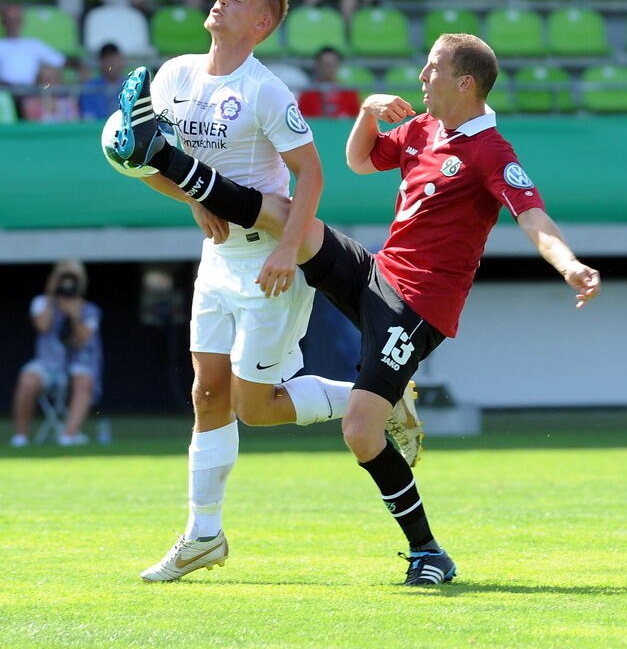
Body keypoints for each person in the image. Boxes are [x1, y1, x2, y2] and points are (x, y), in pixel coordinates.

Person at [115, 31, 601, 586]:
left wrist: (570, 266)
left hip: (417, 308)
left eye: (432, 68)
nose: (422, 77)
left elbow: (533, 218)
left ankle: (428, 553)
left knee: (360, 433)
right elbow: (360, 159)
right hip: (378, 272)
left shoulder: (492, 152)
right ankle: (172, 163)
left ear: (465, 83)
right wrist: (368, 114)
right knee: (287, 217)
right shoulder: (423, 128)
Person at [108, 0, 415, 582]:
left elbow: (313, 173)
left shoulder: (265, 90)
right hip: (218, 257)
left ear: (263, 22)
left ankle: (387, 400)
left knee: (257, 406)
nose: (220, 1)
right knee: (206, 394)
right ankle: (204, 535)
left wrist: (287, 248)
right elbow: (158, 160)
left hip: (268, 259)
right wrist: (195, 198)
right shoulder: (174, 75)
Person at [10, 260, 102, 447]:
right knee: (27, 378)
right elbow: (42, 326)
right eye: (63, 277)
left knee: (84, 380)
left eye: (72, 278)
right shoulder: (41, 302)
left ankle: (67, 436)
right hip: (48, 365)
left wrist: (74, 315)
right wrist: (52, 297)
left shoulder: (90, 310)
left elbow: (81, 340)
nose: (67, 283)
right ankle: (21, 437)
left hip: (78, 365)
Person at [0, 3, 66, 87]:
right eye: (9, 20)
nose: (13, 24)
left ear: (22, 22)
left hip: (32, 92)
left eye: (16, 20)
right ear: (3, 22)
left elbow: (60, 61)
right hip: (4, 92)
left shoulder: (34, 44)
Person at [298, 46, 361, 118]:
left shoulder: (349, 93)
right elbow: (302, 120)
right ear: (317, 65)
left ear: (338, 65)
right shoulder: (308, 93)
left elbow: (356, 119)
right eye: (325, 64)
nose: (328, 68)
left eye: (331, 65)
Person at [79, 43, 126, 121]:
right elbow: (88, 119)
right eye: (107, 60)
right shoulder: (89, 88)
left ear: (121, 61)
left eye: (114, 59)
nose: (111, 64)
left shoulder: (132, 86)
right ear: (100, 63)